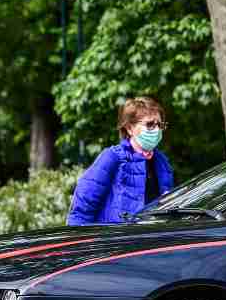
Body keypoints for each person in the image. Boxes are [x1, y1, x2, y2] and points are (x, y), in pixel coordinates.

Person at [67, 96, 175, 225]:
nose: (157, 130)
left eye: (160, 125)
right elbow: (82, 209)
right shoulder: (113, 157)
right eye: (150, 124)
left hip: (149, 240)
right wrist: (79, 242)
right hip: (113, 241)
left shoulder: (162, 162)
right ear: (129, 128)